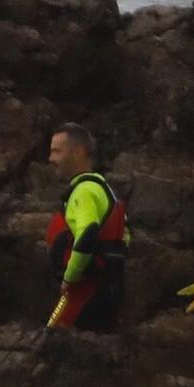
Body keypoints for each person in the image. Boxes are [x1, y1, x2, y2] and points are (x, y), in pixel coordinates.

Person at [44, 123, 130, 332]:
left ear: (78, 152)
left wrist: (69, 277)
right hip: (107, 288)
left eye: (57, 151)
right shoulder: (102, 189)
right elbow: (125, 237)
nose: (50, 158)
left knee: (54, 336)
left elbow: (88, 233)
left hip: (86, 290)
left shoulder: (84, 191)